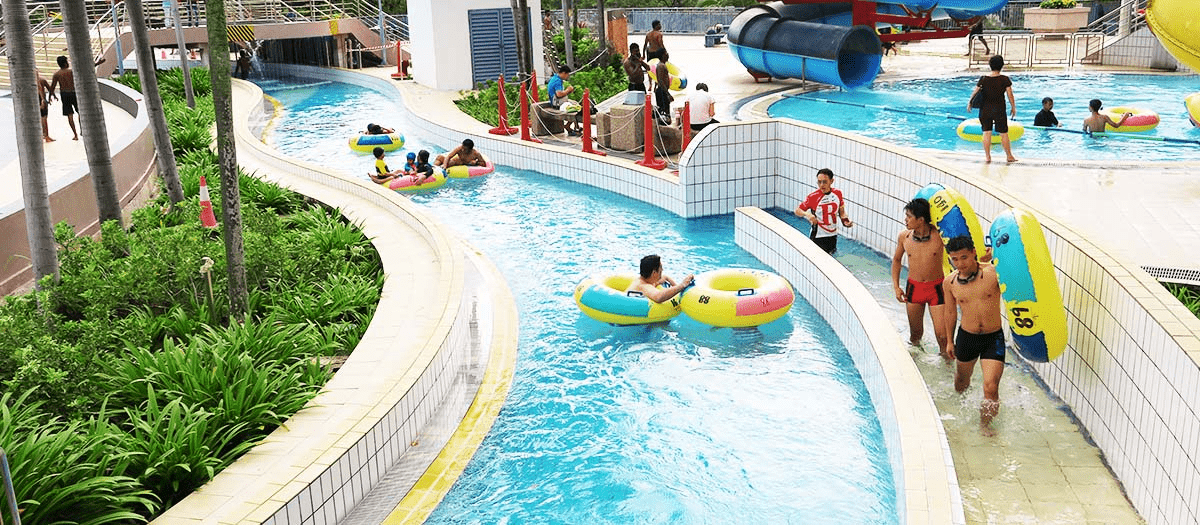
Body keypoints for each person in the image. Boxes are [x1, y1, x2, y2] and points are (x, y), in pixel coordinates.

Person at [942, 235, 1005, 437]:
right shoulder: (950, 282)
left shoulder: (993, 274)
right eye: (955, 259)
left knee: (991, 387)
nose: (960, 264)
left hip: (993, 338)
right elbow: (950, 312)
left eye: (964, 257)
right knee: (961, 382)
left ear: (973, 254)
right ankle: (959, 407)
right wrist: (949, 341)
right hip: (967, 338)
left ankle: (985, 426)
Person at [891, 199, 951, 356]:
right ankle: (915, 365)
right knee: (915, 335)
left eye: (909, 216)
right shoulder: (904, 237)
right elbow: (896, 260)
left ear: (921, 220)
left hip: (936, 288)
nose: (905, 220)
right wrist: (896, 287)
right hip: (914, 288)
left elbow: (959, 253)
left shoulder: (939, 236)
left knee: (943, 336)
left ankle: (947, 366)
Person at [965, 55, 1016, 163]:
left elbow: (975, 91)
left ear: (990, 65)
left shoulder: (983, 79)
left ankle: (988, 157)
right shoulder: (1005, 79)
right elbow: (1010, 95)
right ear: (1002, 65)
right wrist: (1013, 107)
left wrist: (970, 102)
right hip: (999, 110)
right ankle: (1009, 156)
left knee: (986, 132)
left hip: (985, 110)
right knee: (1003, 133)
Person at [794, 168, 853, 254]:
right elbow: (797, 210)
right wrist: (807, 215)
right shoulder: (813, 197)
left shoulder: (838, 194)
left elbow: (842, 212)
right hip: (818, 236)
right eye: (819, 182)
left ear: (831, 181)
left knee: (831, 257)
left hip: (832, 235)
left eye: (824, 182)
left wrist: (845, 221)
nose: (821, 185)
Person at [625, 254, 694, 304]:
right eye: (660, 267)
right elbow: (659, 297)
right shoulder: (644, 286)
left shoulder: (646, 280)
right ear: (654, 273)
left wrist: (672, 283)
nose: (662, 270)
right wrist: (682, 285)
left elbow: (664, 277)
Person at [48, 56, 79, 141]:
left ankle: (75, 134)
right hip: (73, 92)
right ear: (65, 63)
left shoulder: (57, 74)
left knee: (69, 114)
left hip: (64, 94)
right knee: (80, 111)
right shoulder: (71, 72)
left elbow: (52, 87)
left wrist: (50, 96)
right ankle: (82, 130)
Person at [547, 65, 581, 136]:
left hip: (556, 101)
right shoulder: (557, 80)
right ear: (563, 73)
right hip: (556, 102)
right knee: (575, 107)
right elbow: (559, 94)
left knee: (575, 103)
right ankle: (569, 126)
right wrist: (568, 90)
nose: (568, 76)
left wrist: (568, 91)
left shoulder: (554, 78)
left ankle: (576, 126)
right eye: (567, 74)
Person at [653, 53, 674, 125]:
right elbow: (661, 81)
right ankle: (664, 124)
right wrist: (668, 94)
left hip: (663, 90)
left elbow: (659, 78)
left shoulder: (661, 65)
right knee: (664, 110)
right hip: (662, 90)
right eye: (666, 53)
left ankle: (665, 123)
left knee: (665, 108)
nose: (668, 54)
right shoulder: (661, 66)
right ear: (662, 56)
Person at [36, 69, 54, 143]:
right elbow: (48, 89)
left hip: (37, 99)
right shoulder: (40, 80)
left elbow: (49, 89)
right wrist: (43, 100)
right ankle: (46, 135)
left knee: (41, 118)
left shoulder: (39, 81)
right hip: (41, 99)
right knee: (44, 118)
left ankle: (44, 134)